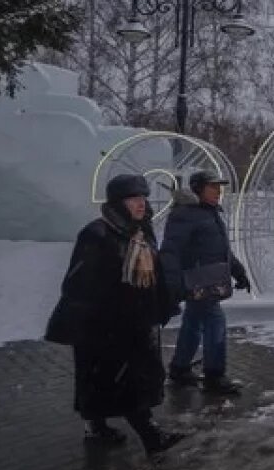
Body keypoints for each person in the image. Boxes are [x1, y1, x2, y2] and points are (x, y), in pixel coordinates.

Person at [64, 174, 184, 454]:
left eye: (143, 197)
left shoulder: (141, 233)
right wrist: (103, 313)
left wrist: (163, 303)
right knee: (122, 381)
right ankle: (151, 437)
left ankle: (96, 427)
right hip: (105, 327)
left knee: (112, 380)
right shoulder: (97, 234)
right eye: (133, 199)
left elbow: (155, 275)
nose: (141, 203)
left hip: (137, 323)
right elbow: (78, 283)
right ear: (118, 203)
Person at [161, 170, 250, 395]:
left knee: (192, 322)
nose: (218, 192)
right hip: (198, 282)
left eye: (219, 188)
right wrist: (172, 282)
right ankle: (214, 376)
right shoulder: (185, 214)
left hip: (210, 280)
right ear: (198, 189)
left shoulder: (209, 213)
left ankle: (180, 369)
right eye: (213, 187)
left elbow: (222, 250)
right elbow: (170, 250)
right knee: (215, 322)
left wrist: (239, 272)